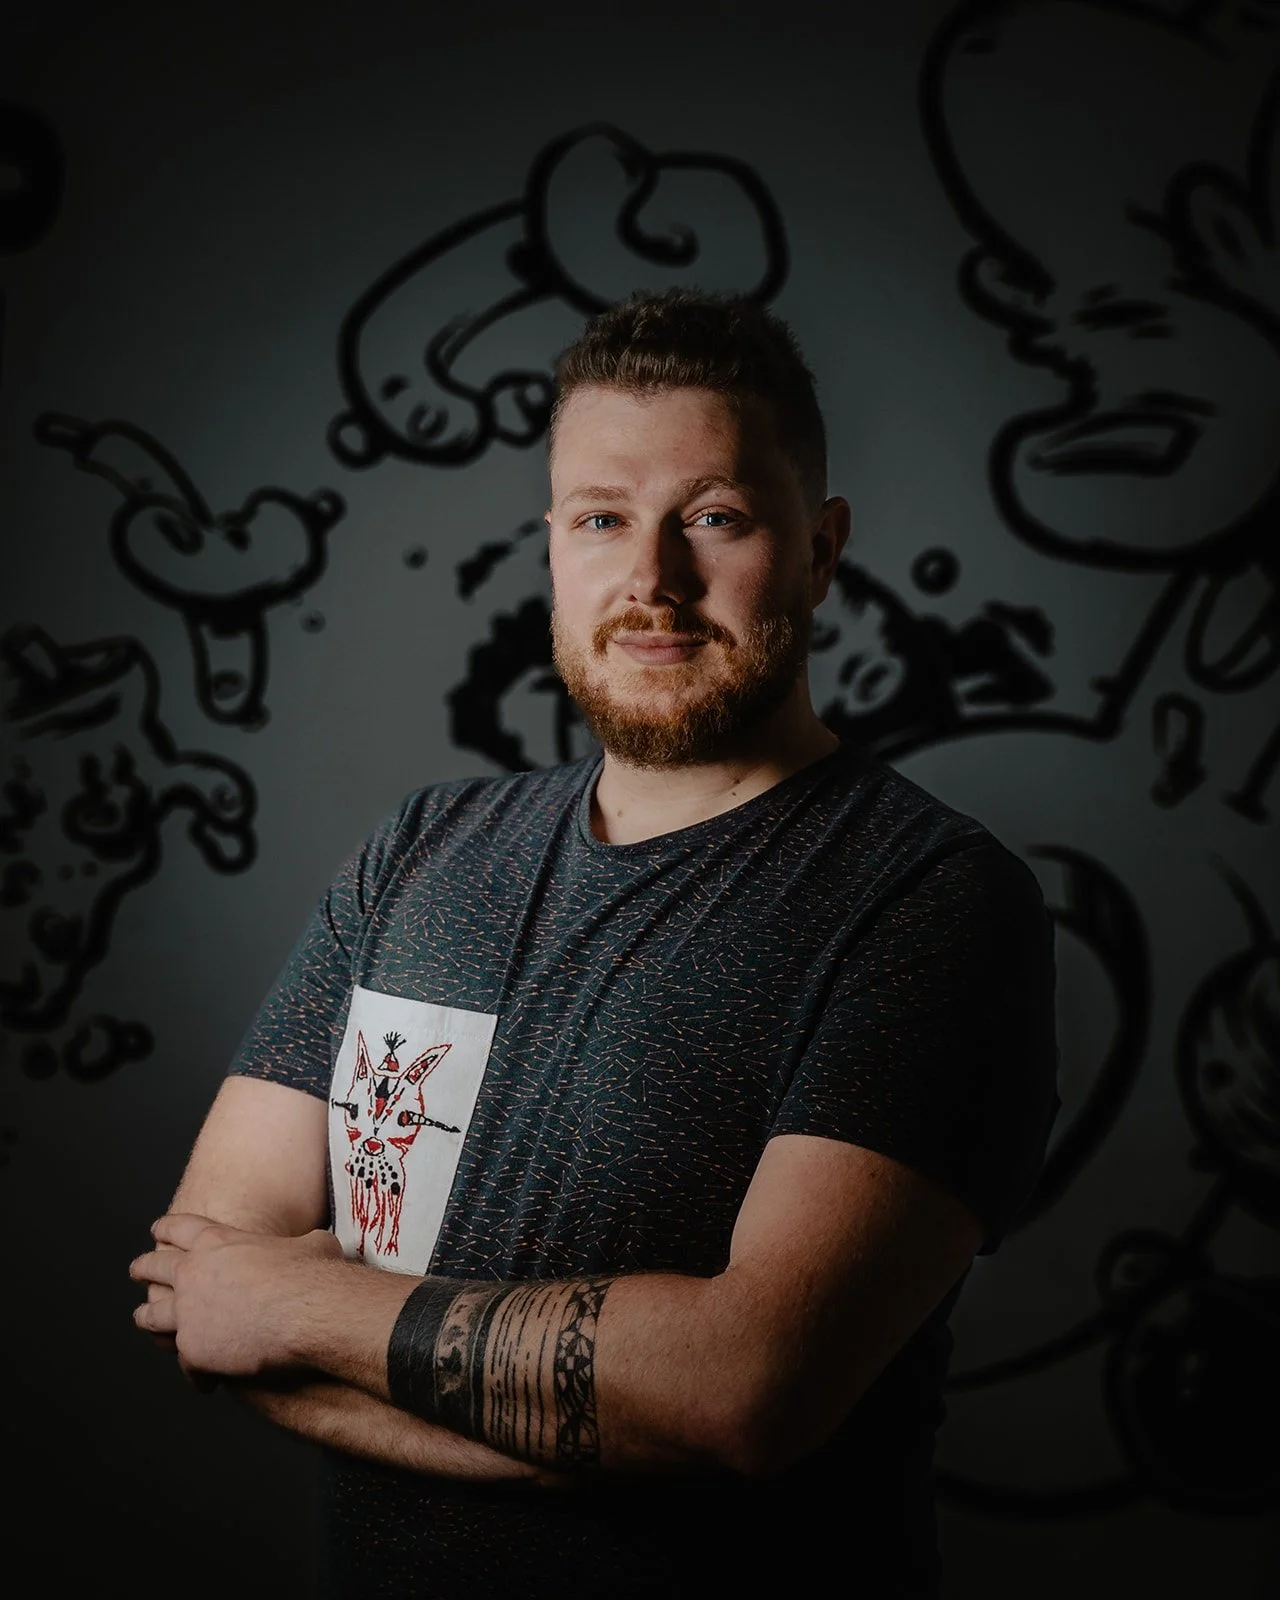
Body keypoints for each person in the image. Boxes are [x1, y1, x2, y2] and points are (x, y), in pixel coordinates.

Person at [129, 286, 1061, 1599]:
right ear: (554, 546)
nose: (654, 580)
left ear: (822, 547)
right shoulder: (418, 854)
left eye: (716, 518)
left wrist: (302, 1307)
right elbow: (197, 1295)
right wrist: (623, 1424)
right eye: (604, 520)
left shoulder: (931, 901)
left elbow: (746, 1390)